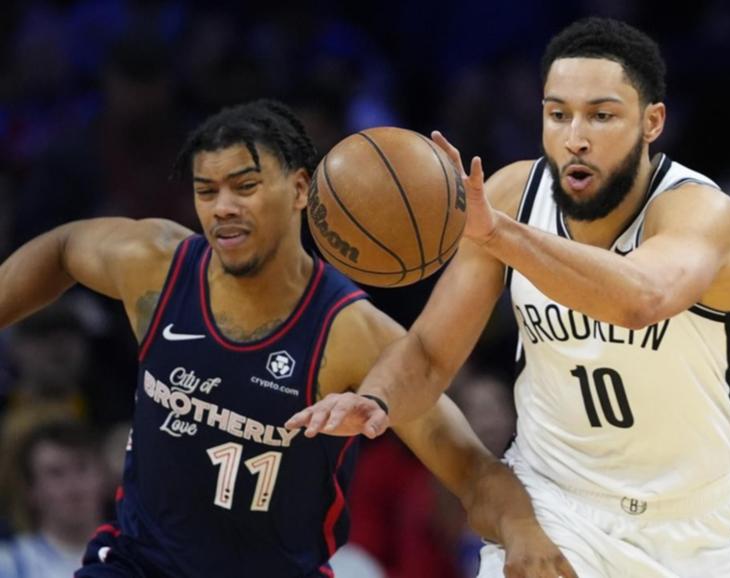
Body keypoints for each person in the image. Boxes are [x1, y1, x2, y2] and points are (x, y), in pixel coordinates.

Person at [0, 99, 570, 577]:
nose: (223, 208)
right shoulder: (154, 266)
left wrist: (520, 528)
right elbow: (64, 249)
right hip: (138, 564)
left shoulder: (351, 333)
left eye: (245, 186)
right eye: (206, 191)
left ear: (300, 189)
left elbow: (468, 465)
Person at [288, 17, 730, 578]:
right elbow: (432, 352)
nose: (574, 136)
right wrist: (378, 400)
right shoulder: (513, 196)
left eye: (601, 115)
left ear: (652, 121)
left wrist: (500, 235)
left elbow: (642, 299)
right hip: (557, 506)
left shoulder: (698, 211)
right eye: (558, 113)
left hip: (694, 529)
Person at [0, 419, 109, 578]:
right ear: (31, 490)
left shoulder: (140, 557)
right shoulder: (9, 565)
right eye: (56, 473)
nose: (73, 486)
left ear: (103, 476)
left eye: (82, 467)